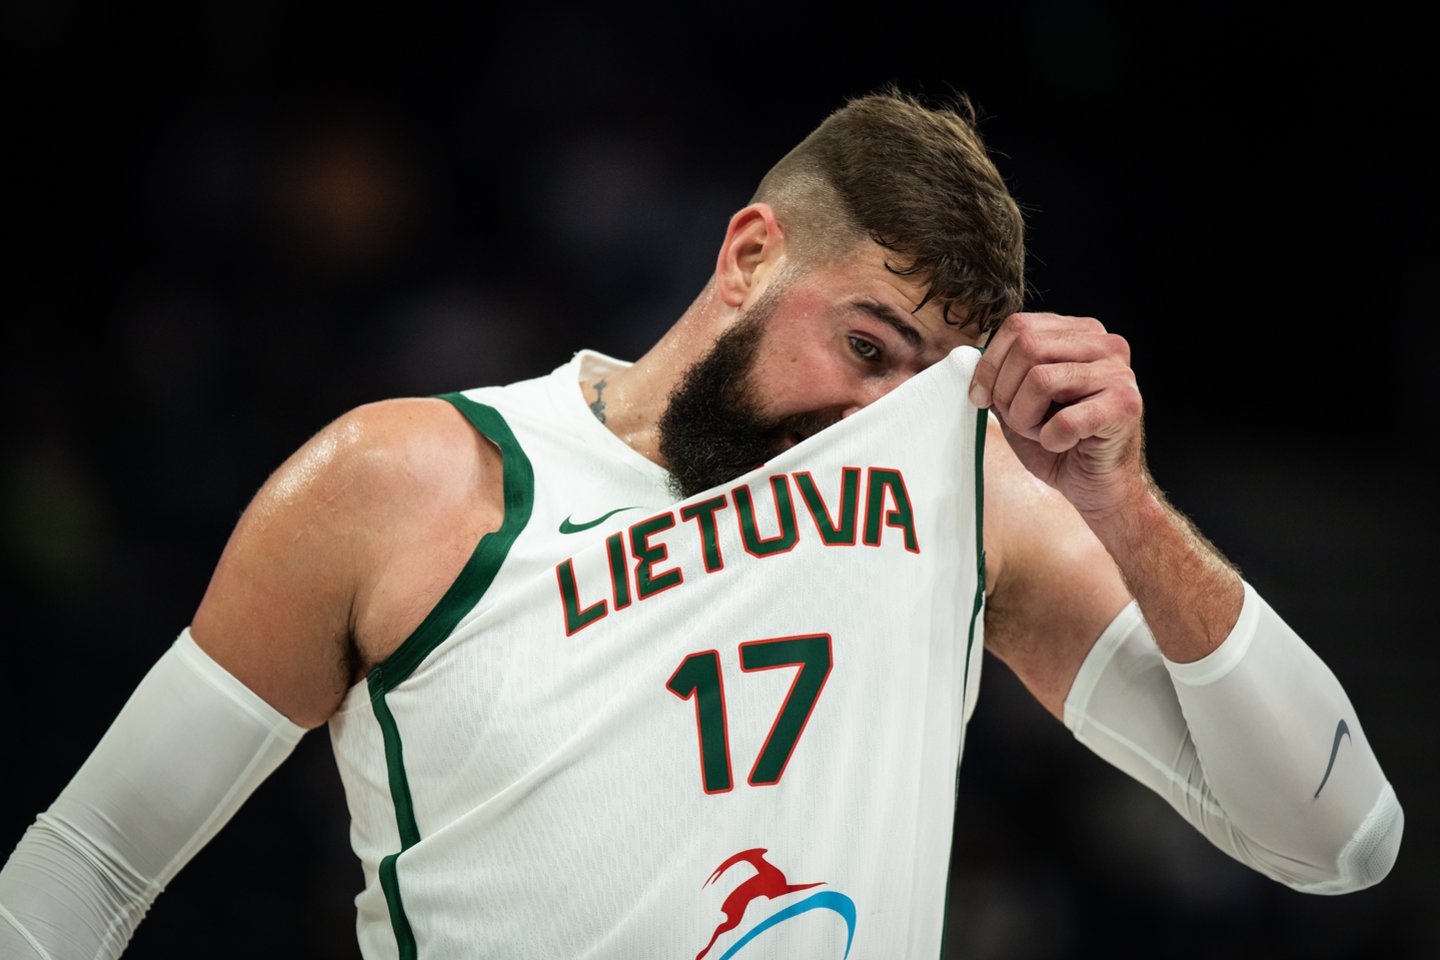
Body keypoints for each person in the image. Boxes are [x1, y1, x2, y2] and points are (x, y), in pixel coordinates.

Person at [0, 89, 1402, 959]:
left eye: (924, 382)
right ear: (748, 254)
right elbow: (89, 867)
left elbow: (1341, 838)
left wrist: (1124, 504)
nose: (874, 415)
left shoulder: (958, 505)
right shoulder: (414, 480)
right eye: (865, 346)